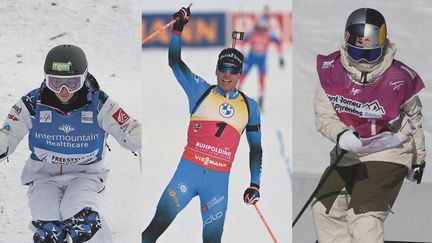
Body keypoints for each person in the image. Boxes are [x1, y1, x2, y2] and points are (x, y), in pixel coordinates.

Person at [142, 6, 263, 243]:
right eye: (222, 69)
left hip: (216, 188)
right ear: (216, 70)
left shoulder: (250, 106)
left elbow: (256, 148)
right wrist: (178, 30)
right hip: (186, 176)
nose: (226, 75)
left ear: (240, 74)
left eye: (233, 71)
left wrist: (254, 185)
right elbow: (175, 63)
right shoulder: (200, 90)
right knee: (151, 233)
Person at [0, 44, 142, 243]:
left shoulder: (98, 103)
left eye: (72, 83)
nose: (64, 91)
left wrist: (143, 140)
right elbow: (8, 132)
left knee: (82, 221)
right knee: (49, 232)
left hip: (85, 177)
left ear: (84, 77)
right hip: (43, 178)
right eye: (56, 83)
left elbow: (128, 127)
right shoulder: (33, 103)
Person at [312, 8, 425, 243]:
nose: (363, 61)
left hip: (388, 150)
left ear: (383, 48)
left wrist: (418, 159)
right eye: (356, 52)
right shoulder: (332, 71)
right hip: (350, 152)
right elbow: (324, 114)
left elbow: (414, 119)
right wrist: (341, 134)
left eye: (371, 55)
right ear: (345, 44)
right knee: (324, 209)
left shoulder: (398, 77)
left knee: (363, 217)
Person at [238, 5, 284, 110]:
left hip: (262, 60)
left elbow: (279, 43)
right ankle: (236, 93)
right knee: (242, 76)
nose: (261, 31)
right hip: (251, 57)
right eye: (260, 28)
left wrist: (280, 57)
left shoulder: (269, 34)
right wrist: (242, 53)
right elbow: (243, 41)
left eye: (263, 29)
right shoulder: (253, 32)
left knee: (262, 80)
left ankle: (261, 100)